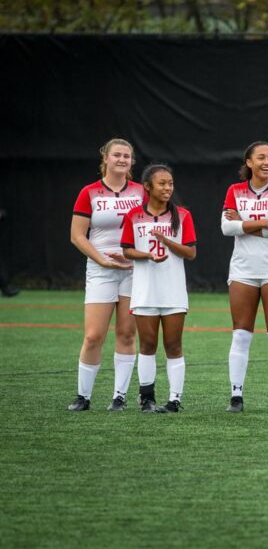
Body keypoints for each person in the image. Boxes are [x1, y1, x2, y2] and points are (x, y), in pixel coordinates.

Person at [68, 138, 144, 411]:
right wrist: (102, 259)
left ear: (131, 161)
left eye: (127, 156)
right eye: (117, 155)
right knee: (93, 336)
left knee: (126, 334)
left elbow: (155, 226)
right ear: (106, 158)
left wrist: (133, 253)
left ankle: (119, 397)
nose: (122, 160)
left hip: (134, 271)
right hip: (100, 269)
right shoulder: (89, 192)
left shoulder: (141, 192)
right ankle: (83, 396)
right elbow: (77, 236)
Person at [221, 141, 268, 413]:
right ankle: (236, 397)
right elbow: (227, 228)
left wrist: (244, 223)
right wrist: (264, 221)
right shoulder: (235, 190)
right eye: (261, 157)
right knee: (241, 335)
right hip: (243, 270)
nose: (267, 162)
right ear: (249, 162)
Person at [121, 164, 197, 413]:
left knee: (174, 344)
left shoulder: (183, 215)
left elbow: (191, 252)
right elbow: (127, 250)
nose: (168, 188)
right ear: (147, 187)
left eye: (170, 183)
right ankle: (147, 398)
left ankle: (175, 400)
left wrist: (166, 240)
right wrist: (146, 255)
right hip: (144, 290)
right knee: (147, 344)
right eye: (162, 183)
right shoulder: (133, 215)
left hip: (173, 289)